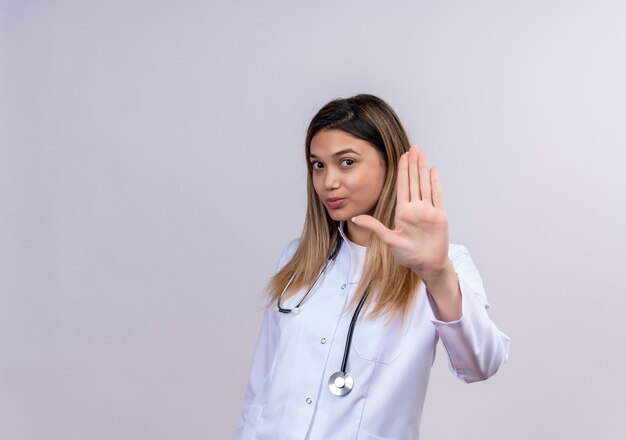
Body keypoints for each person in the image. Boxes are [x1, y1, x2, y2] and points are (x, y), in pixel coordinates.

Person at [234, 94, 510, 439]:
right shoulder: (296, 259)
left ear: (389, 163)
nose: (328, 181)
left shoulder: (445, 265)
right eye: (318, 165)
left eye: (346, 162)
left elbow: (480, 364)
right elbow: (260, 389)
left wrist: (437, 275)